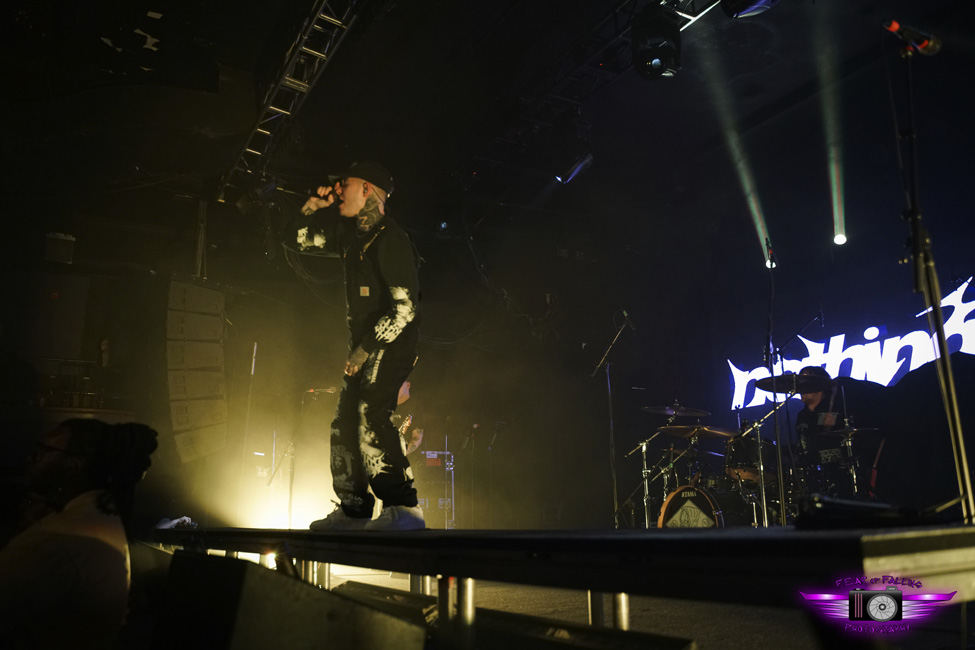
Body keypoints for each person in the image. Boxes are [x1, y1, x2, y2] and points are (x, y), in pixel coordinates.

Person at [299, 161, 424, 532]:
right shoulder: (350, 236)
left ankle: (403, 508)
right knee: (343, 423)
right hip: (364, 346)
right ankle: (353, 509)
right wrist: (311, 208)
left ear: (367, 189)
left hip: (391, 342)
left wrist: (366, 347)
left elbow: (405, 307)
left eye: (345, 184)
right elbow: (300, 240)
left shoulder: (391, 238)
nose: (338, 190)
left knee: (371, 413)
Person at [0, 418, 158, 649]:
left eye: (44, 450)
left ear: (74, 465)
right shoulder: (100, 515)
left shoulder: (60, 537)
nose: (31, 458)